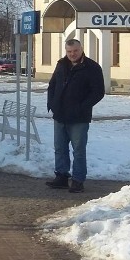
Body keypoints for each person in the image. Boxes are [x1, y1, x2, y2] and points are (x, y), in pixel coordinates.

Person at [45, 39, 105, 193]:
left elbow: (98, 92)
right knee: (60, 148)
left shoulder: (92, 67)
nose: (72, 54)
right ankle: (62, 177)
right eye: (69, 51)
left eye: (75, 51)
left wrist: (81, 107)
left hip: (79, 118)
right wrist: (51, 103)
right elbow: (52, 85)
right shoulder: (61, 64)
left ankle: (78, 180)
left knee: (78, 150)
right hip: (59, 115)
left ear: (81, 49)